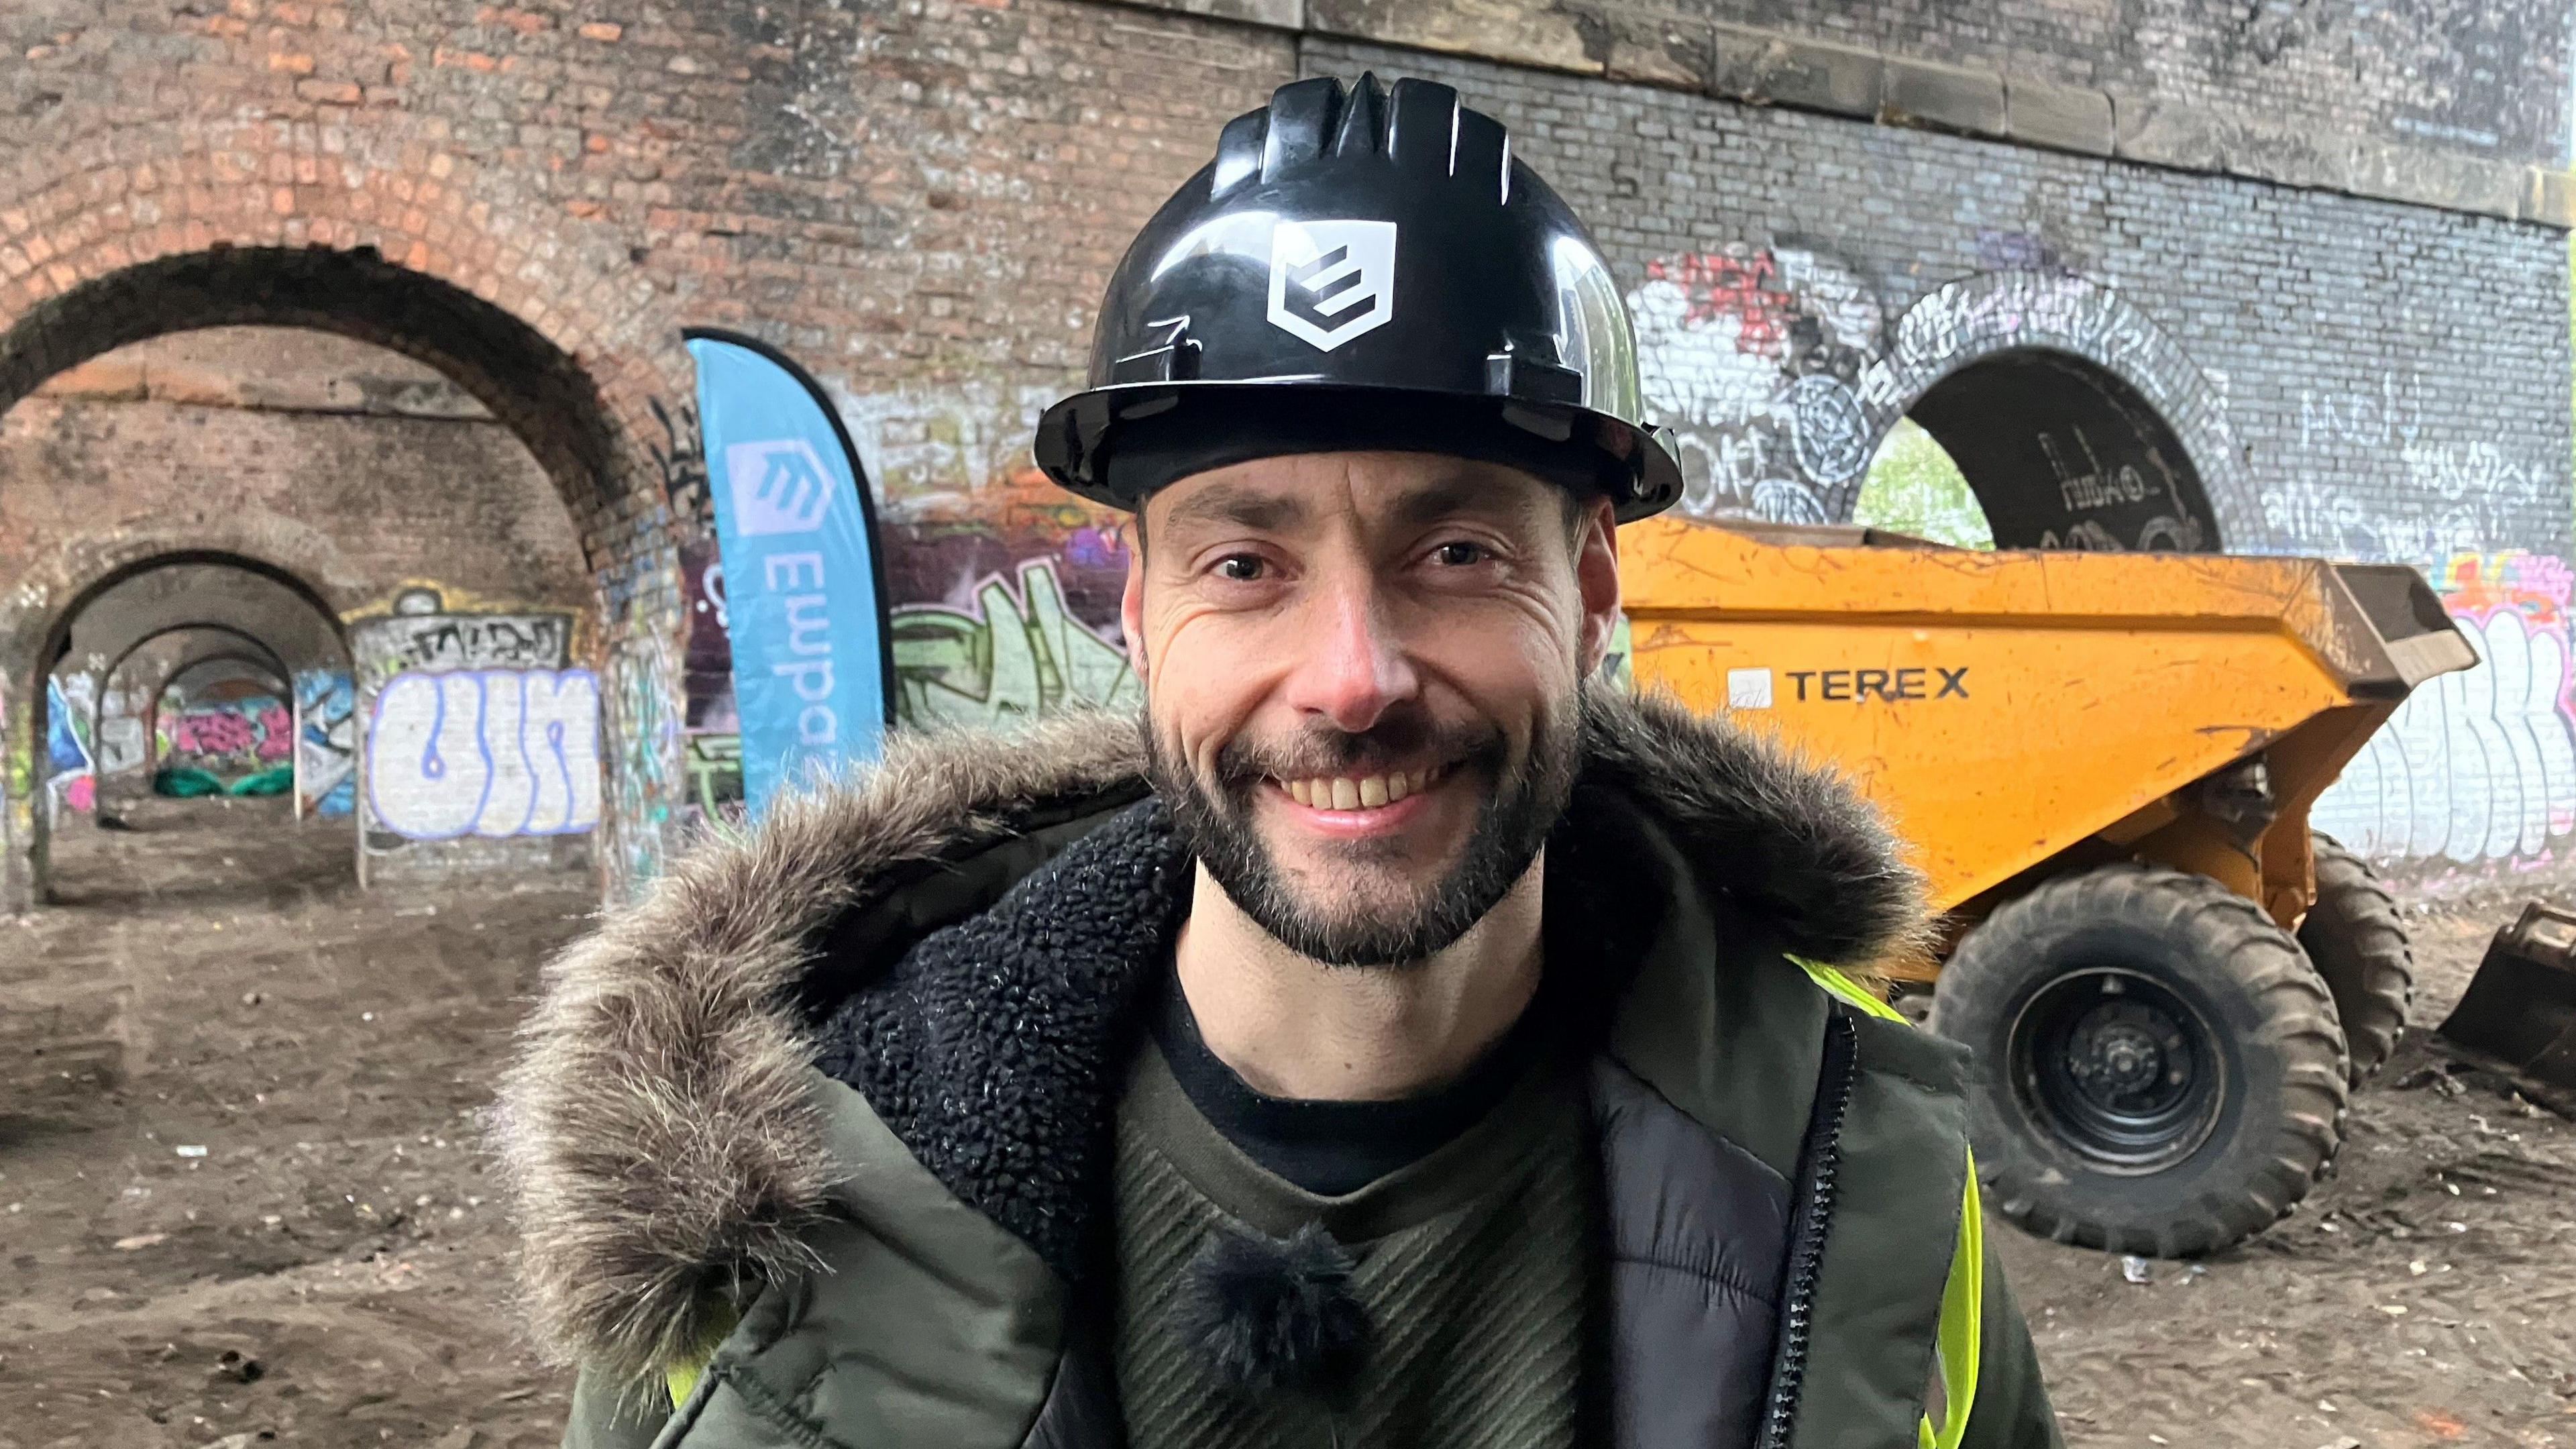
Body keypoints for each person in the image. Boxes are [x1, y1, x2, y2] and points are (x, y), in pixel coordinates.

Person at [498, 71, 2061, 1449]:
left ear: (1590, 591)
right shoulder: (775, 1204)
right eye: (1247, 563)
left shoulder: (1863, 1172)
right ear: (1139, 613)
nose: (1353, 679)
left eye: (1453, 549)